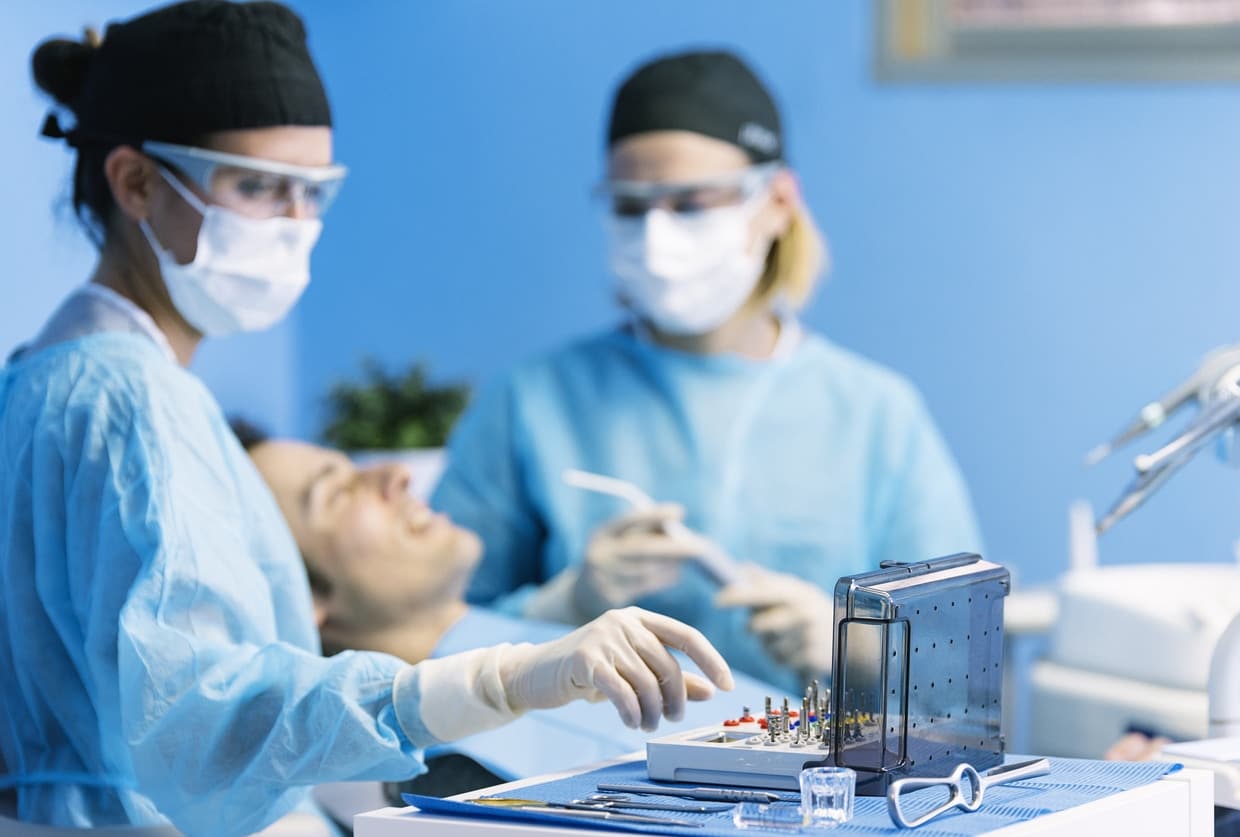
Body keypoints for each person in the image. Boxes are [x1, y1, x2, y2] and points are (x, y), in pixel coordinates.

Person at [0, 5, 732, 834]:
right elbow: (205, 722)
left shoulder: (48, 376)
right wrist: (504, 678)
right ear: (135, 182)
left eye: (312, 192)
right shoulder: (128, 398)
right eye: (256, 187)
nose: (293, 224)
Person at [431, 49, 982, 693]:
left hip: (820, 784)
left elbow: (961, 666)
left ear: (777, 202)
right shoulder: (533, 401)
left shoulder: (874, 412)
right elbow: (434, 639)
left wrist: (854, 650)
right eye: (631, 208)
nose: (657, 237)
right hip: (590, 779)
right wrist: (565, 605)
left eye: (691, 203)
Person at [236, 425, 781, 795]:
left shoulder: (533, 627)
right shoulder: (443, 781)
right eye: (337, 493)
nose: (394, 474)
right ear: (302, 597)